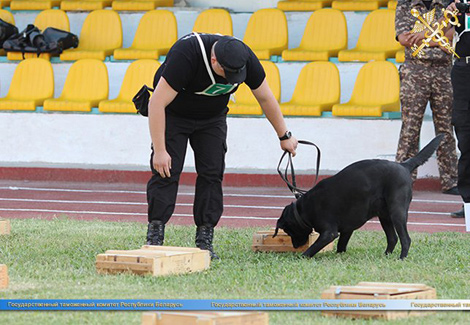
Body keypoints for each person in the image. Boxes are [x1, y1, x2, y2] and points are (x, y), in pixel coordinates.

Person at [145, 33, 298, 259]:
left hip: (212, 119)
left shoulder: (243, 56)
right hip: (174, 115)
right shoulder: (187, 53)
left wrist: (284, 135)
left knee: (212, 174)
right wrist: (160, 150)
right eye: (228, 74)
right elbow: (156, 102)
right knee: (166, 170)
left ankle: (205, 239)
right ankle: (155, 237)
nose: (232, 79)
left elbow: (265, 98)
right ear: (214, 60)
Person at [395, 0, 460, 196]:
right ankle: (400, 180)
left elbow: (450, 36)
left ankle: (450, 181)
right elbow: (404, 38)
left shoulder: (448, 4)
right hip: (414, 71)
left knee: (446, 128)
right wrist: (437, 36)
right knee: (410, 129)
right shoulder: (406, 4)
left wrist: (423, 36)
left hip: (443, 71)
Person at [446, 0, 470, 219]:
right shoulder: (454, 3)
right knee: (465, 136)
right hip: (462, 69)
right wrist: (449, 13)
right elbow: (443, 34)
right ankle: (469, 202)